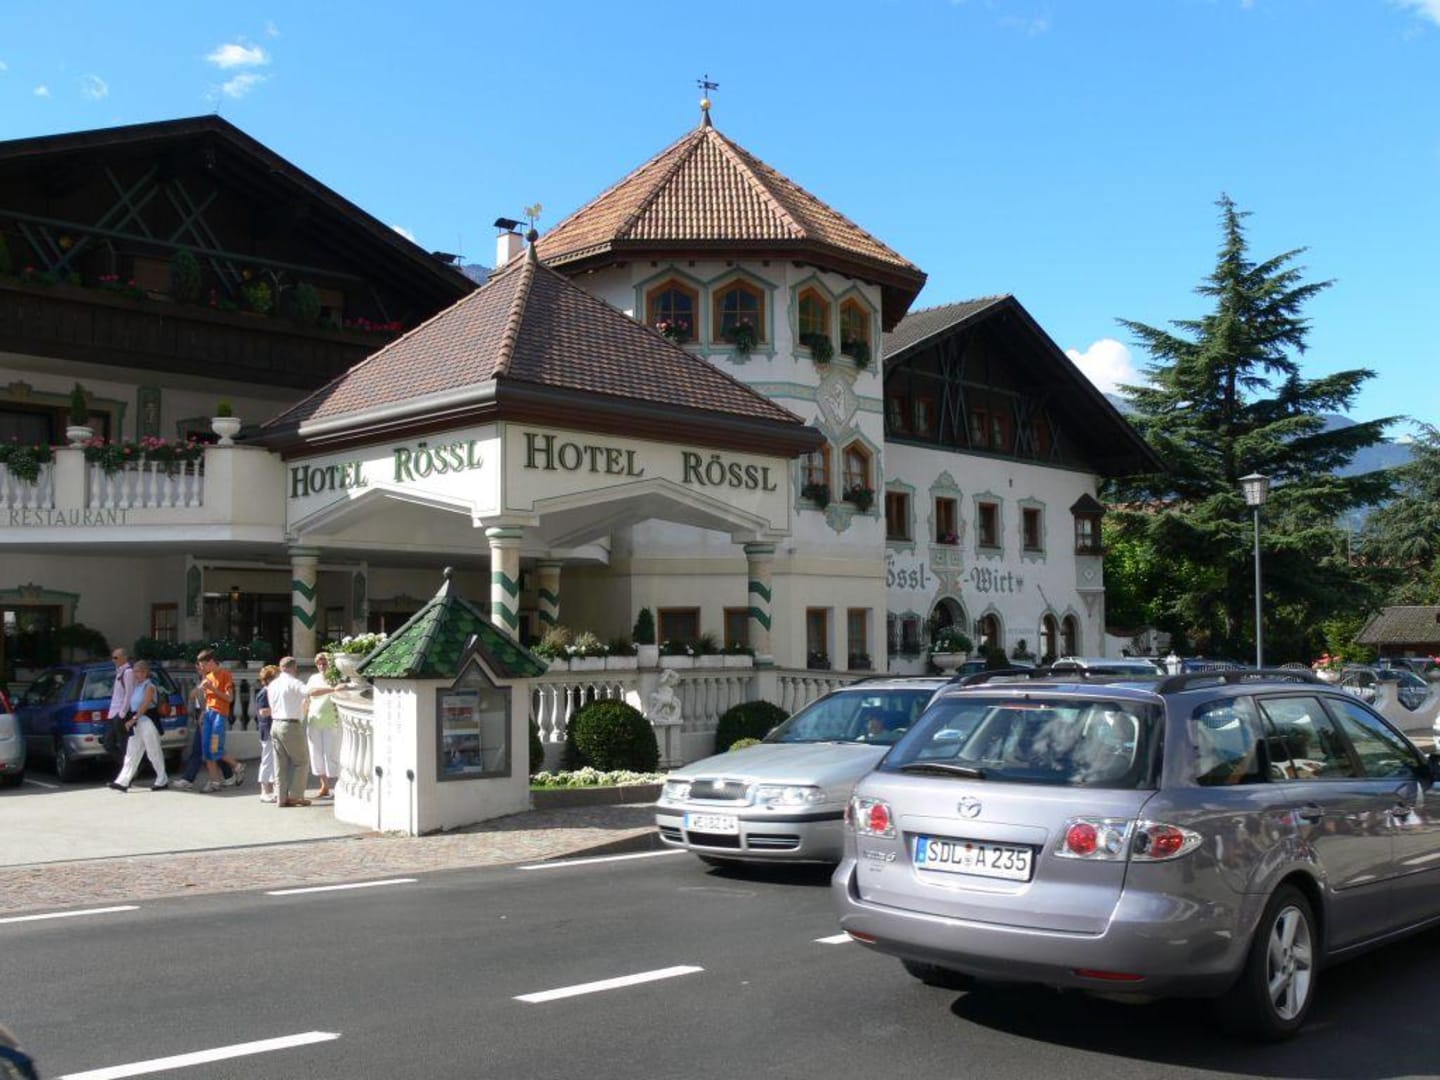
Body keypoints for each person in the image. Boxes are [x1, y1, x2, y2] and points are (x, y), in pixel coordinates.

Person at [171, 659, 235, 791]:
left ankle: (189, 779)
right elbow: (192, 695)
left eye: (201, 667)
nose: (199, 669)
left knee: (204, 749)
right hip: (204, 717)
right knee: (210, 749)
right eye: (198, 667)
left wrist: (204, 713)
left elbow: (214, 699)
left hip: (208, 718)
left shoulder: (212, 679)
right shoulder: (203, 680)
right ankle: (229, 775)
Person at [107, 658, 170, 791]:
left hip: (148, 721)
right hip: (137, 722)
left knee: (153, 751)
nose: (136, 674)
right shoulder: (136, 686)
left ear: (145, 672)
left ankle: (162, 779)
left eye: (139, 672)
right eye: (135, 671)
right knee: (131, 752)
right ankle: (122, 781)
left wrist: (133, 719)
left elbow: (144, 705)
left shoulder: (149, 686)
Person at [195, 649, 245, 793]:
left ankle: (237, 766)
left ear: (211, 662)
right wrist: (203, 712)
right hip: (209, 714)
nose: (202, 669)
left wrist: (211, 688)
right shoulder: (208, 676)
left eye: (203, 665)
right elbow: (206, 698)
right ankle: (215, 782)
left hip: (219, 715)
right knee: (206, 750)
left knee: (215, 748)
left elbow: (229, 698)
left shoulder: (225, 674)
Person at [268, 656, 311, 807]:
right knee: (302, 762)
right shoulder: (293, 682)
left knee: (280, 764)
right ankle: (296, 796)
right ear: (294, 667)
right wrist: (332, 689)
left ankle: (281, 797)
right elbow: (308, 691)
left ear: (281, 668)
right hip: (290, 724)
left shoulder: (273, 684)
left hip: (275, 724)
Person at [304, 653, 341, 799]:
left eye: (324, 663)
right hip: (314, 719)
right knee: (316, 753)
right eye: (319, 664)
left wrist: (334, 689)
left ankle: (338, 784)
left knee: (332, 753)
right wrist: (333, 690)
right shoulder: (313, 678)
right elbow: (311, 692)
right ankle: (324, 785)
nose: (321, 666)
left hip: (332, 720)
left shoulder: (336, 678)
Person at [103, 647, 137, 759]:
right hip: (113, 713)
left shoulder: (128, 672)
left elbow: (129, 694)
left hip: (120, 714)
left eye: (116, 658)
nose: (113, 660)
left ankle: (130, 765)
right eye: (113, 658)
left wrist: (122, 713)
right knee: (108, 743)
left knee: (124, 744)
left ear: (124, 658)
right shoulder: (119, 672)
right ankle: (127, 764)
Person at [255, 663, 279, 802]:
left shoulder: (271, 691)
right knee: (267, 760)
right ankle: (264, 790)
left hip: (272, 728)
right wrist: (280, 707)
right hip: (267, 729)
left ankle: (275, 789)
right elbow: (263, 712)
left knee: (275, 760)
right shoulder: (264, 693)